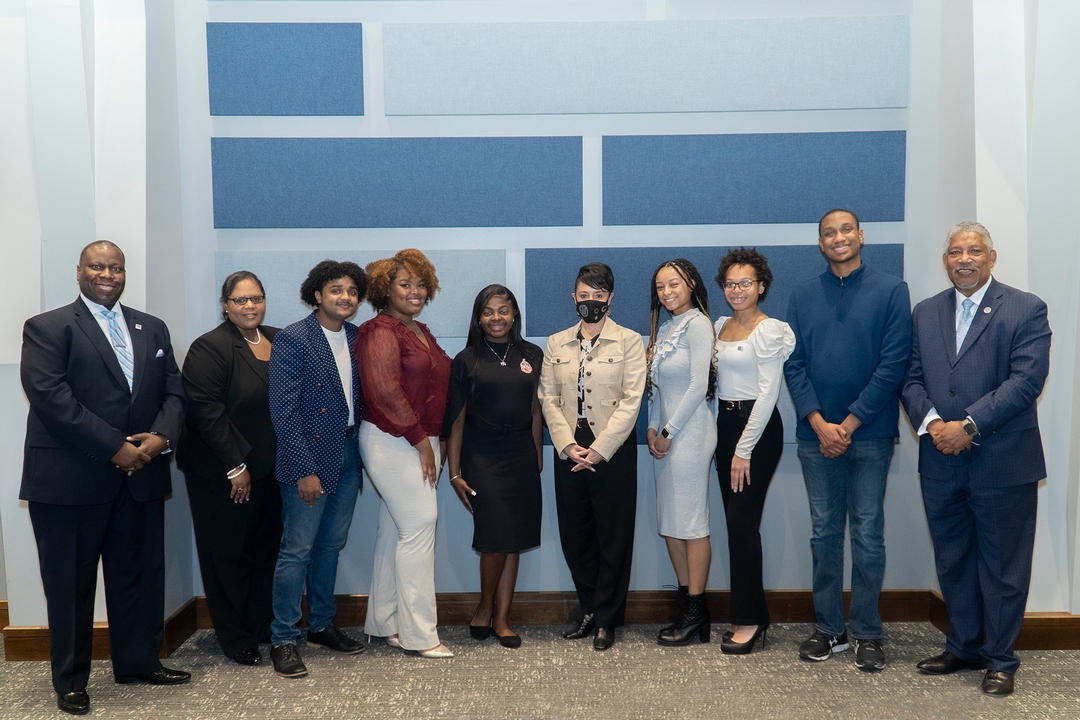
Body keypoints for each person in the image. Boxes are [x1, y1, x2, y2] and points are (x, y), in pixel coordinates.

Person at [20, 240, 190, 715]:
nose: (108, 274)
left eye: (115, 267)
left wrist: (160, 437)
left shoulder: (151, 327)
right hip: (70, 480)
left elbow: (175, 392)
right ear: (79, 271)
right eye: (98, 266)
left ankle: (138, 663)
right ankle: (71, 680)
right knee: (70, 585)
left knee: (137, 575)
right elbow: (52, 399)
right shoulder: (49, 327)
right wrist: (117, 449)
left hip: (140, 478)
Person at [901, 222, 1050, 696]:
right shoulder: (926, 312)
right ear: (945, 260)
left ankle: (1000, 658)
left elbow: (1025, 382)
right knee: (953, 559)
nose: (963, 259)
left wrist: (967, 427)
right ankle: (963, 645)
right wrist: (932, 426)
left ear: (992, 257)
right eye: (954, 252)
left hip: (1003, 461)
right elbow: (911, 377)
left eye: (974, 251)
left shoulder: (1025, 308)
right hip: (940, 459)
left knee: (1003, 565)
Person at [784, 208, 911, 671]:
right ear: (820, 243)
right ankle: (829, 629)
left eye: (845, 230)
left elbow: (893, 365)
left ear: (861, 235)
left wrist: (851, 423)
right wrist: (819, 423)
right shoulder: (801, 295)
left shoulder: (892, 290)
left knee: (868, 536)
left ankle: (868, 631)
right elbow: (793, 366)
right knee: (823, 536)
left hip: (871, 435)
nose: (838, 238)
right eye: (828, 233)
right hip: (815, 437)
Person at [539, 262, 647, 651]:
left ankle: (608, 618)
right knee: (576, 534)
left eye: (598, 296)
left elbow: (633, 400)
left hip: (611, 449)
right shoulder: (557, 343)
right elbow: (547, 397)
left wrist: (599, 451)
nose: (591, 302)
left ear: (611, 299)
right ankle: (589, 608)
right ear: (574, 298)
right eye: (584, 295)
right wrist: (568, 446)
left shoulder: (630, 341)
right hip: (569, 446)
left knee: (613, 536)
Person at [268, 260, 367, 678]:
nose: (345, 297)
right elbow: (283, 412)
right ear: (317, 295)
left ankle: (322, 625)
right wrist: (303, 468)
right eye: (335, 290)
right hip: (308, 460)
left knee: (330, 546)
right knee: (297, 551)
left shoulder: (357, 336)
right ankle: (284, 638)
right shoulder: (294, 339)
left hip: (348, 455)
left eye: (352, 291)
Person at [177, 270, 282, 666]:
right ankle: (236, 636)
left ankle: (261, 625)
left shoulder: (277, 338)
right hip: (223, 472)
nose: (250, 306)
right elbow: (206, 412)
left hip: (270, 470)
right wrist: (236, 465)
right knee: (228, 556)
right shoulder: (210, 348)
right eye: (241, 300)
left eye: (256, 298)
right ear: (225, 305)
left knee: (263, 551)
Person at [356, 249, 454, 658]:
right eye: (404, 284)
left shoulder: (419, 329)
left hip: (418, 439)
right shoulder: (380, 331)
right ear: (385, 289)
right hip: (391, 438)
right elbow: (384, 393)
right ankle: (419, 635)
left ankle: (385, 621)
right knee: (419, 525)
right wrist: (421, 443)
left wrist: (437, 441)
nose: (415, 291)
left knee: (395, 531)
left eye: (419, 284)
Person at [444, 284, 544, 649]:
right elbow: (455, 419)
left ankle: (502, 618)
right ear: (479, 317)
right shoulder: (466, 359)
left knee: (513, 538)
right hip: (481, 455)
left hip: (520, 454)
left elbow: (536, 409)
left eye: (503, 310)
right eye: (488, 311)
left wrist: (537, 458)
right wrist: (454, 472)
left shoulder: (532, 353)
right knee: (494, 538)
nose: (496, 318)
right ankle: (485, 606)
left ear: (514, 314)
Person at [713, 248, 795, 654]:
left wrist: (743, 449)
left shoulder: (770, 329)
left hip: (757, 432)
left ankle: (752, 618)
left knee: (741, 522)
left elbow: (768, 394)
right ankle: (746, 612)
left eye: (746, 282)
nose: (737, 290)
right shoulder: (718, 326)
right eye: (730, 283)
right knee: (735, 525)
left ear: (761, 286)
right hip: (724, 427)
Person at [644, 259, 717, 646]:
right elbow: (656, 389)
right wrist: (653, 429)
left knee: (691, 522)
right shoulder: (664, 328)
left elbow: (697, 384)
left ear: (691, 283)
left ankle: (696, 610)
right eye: (660, 287)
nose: (667, 292)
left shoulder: (699, 324)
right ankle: (687, 609)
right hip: (667, 436)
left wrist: (670, 431)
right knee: (670, 520)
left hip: (691, 434)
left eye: (674, 284)